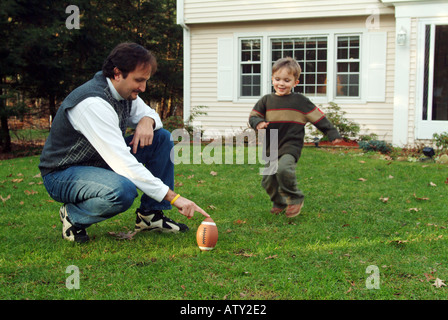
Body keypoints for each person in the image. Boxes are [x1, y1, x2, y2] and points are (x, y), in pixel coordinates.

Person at [39, 42, 209, 243]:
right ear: (117, 73)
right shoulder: (93, 103)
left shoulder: (125, 93)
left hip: (100, 163)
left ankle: (151, 216)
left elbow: (152, 115)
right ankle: (73, 216)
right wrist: (173, 197)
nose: (143, 88)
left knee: (161, 137)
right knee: (123, 190)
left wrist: (148, 120)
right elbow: (123, 163)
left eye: (146, 81)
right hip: (63, 173)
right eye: (139, 80)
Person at [249, 57, 342, 218]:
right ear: (272, 79)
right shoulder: (266, 100)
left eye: (287, 80)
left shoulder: (300, 101)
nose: (281, 83)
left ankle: (295, 197)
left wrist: (332, 132)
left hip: (291, 144)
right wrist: (258, 122)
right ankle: (279, 202)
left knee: (284, 168)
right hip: (271, 146)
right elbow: (253, 116)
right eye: (277, 79)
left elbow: (318, 117)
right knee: (268, 180)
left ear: (295, 82)